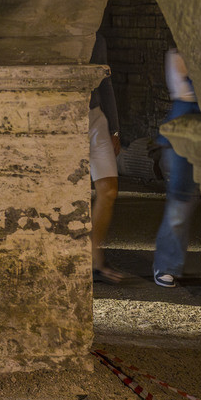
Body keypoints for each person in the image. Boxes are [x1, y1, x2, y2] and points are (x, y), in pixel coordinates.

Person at [153, 47, 201, 288]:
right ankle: (167, 265)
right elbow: (185, 92)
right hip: (183, 128)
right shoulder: (176, 53)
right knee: (181, 200)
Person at [88, 33, 126, 284]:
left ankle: (94, 259)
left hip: (94, 116)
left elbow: (105, 82)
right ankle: (93, 260)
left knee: (109, 190)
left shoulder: (97, 38)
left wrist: (114, 128)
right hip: (59, 113)